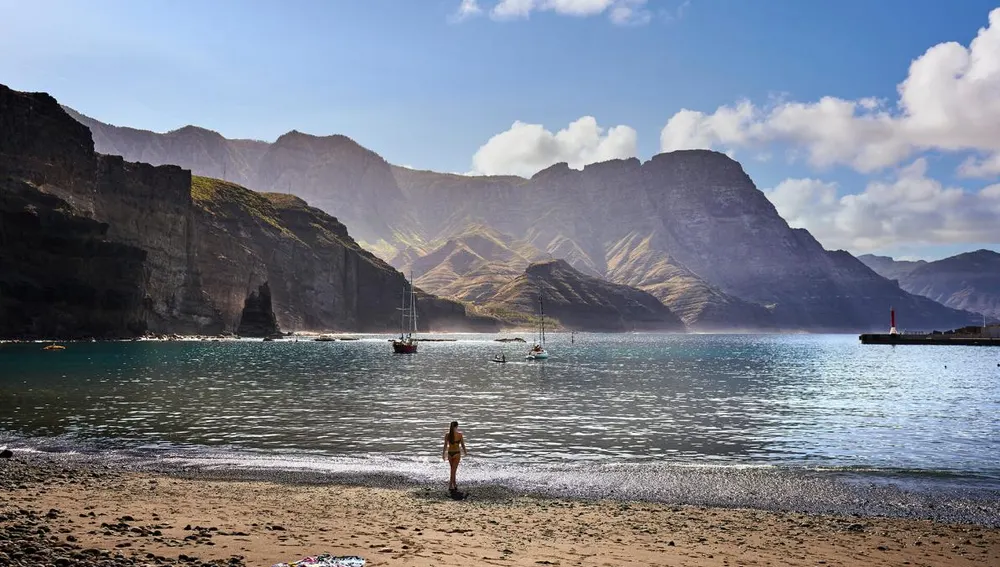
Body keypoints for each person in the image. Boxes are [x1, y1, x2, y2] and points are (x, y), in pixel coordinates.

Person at [441, 420, 467, 492]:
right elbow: (462, 445)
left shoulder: (447, 435)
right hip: (457, 453)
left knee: (452, 470)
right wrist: (465, 452)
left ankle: (454, 484)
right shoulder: (459, 435)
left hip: (450, 453)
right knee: (453, 470)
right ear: (457, 426)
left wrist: (443, 454)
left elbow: (445, 446)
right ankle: (450, 485)